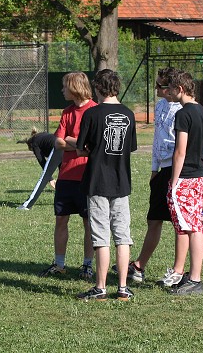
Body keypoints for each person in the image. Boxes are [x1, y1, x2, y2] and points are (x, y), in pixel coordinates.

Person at [115, 68, 181, 283]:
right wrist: (154, 169)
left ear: (172, 88)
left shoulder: (183, 110)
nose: (156, 89)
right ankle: (139, 266)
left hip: (178, 170)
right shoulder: (160, 105)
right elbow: (157, 139)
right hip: (162, 171)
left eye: (160, 86)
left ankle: (177, 271)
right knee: (153, 219)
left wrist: (177, 175)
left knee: (180, 225)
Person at [75, 69, 137, 301]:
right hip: (121, 183)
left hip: (97, 182)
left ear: (99, 88)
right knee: (122, 235)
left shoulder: (92, 114)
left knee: (100, 236)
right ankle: (122, 287)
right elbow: (129, 147)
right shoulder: (129, 114)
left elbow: (81, 148)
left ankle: (100, 287)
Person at [38, 72, 97, 280]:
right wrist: (77, 143)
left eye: (65, 87)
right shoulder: (67, 112)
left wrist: (74, 142)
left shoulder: (94, 111)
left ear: (74, 88)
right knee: (61, 219)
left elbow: (91, 147)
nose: (62, 90)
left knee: (88, 222)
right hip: (65, 177)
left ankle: (87, 266)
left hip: (87, 176)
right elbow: (58, 142)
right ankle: (60, 264)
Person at [165, 70, 203, 295]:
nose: (167, 92)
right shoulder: (202, 111)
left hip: (186, 178)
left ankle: (194, 279)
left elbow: (180, 151)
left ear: (179, 89)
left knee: (192, 228)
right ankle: (192, 277)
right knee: (195, 226)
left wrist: (174, 182)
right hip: (199, 175)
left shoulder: (183, 115)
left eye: (170, 88)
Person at [17, 128, 61, 210]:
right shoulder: (42, 135)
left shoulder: (34, 143)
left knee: (44, 177)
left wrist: (50, 179)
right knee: (66, 177)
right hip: (64, 144)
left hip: (57, 147)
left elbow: (42, 161)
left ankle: (27, 205)